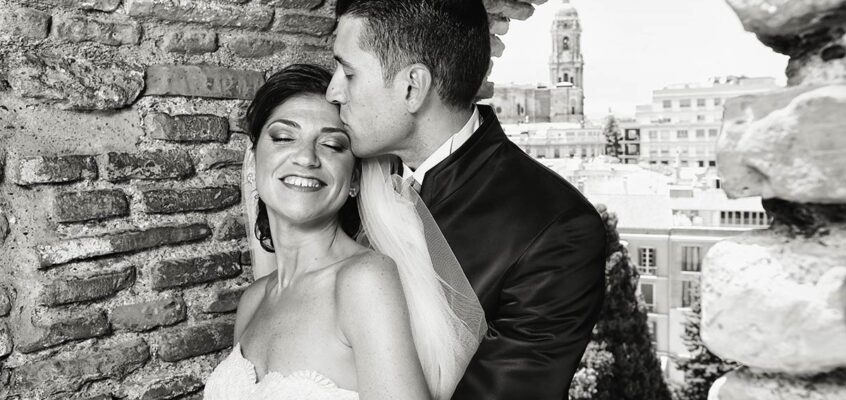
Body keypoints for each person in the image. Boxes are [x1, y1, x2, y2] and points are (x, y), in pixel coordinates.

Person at [326, 1, 607, 398]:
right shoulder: (336, 176)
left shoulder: (556, 232)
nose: (333, 92)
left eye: (349, 73)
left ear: (412, 88)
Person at [203, 64, 485, 399]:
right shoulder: (253, 301)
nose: (306, 158)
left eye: (332, 145)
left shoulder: (364, 281)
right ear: (253, 162)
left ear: (354, 179)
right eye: (284, 137)